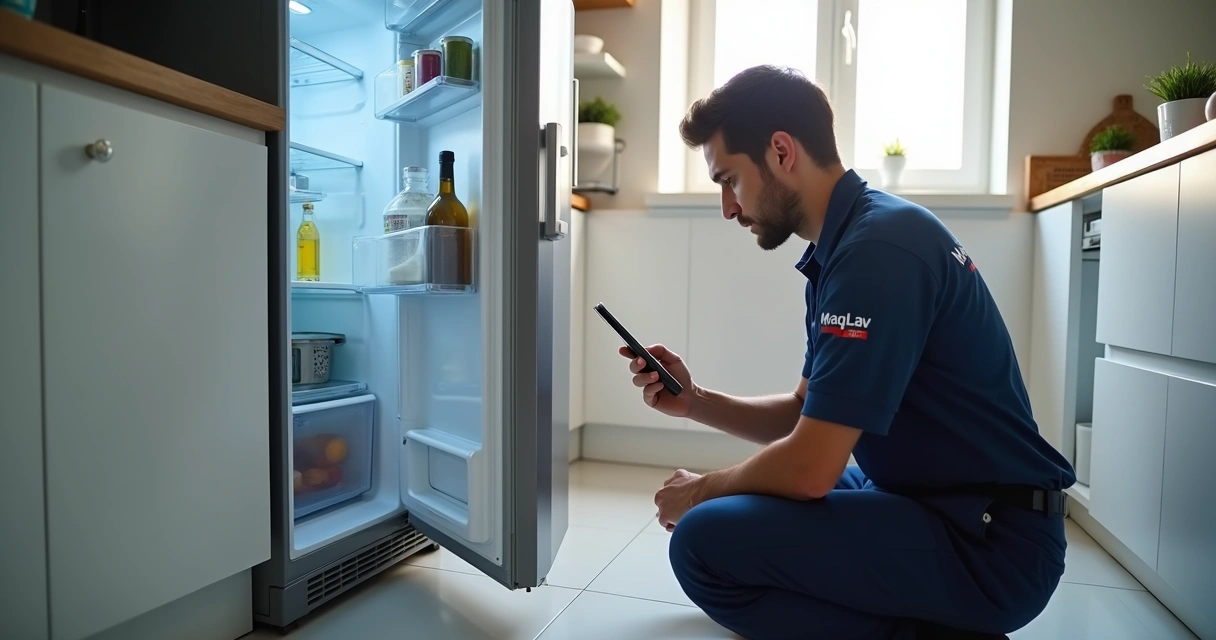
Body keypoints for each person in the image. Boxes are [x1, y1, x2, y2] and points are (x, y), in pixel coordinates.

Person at [617, 65, 1075, 640]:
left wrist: (701, 490)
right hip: (929, 497)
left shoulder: (878, 252)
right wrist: (696, 402)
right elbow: (802, 416)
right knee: (755, 498)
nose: (728, 209)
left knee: (701, 541)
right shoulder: (853, 242)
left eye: (728, 180)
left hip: (991, 543)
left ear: (781, 151)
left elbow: (810, 467)